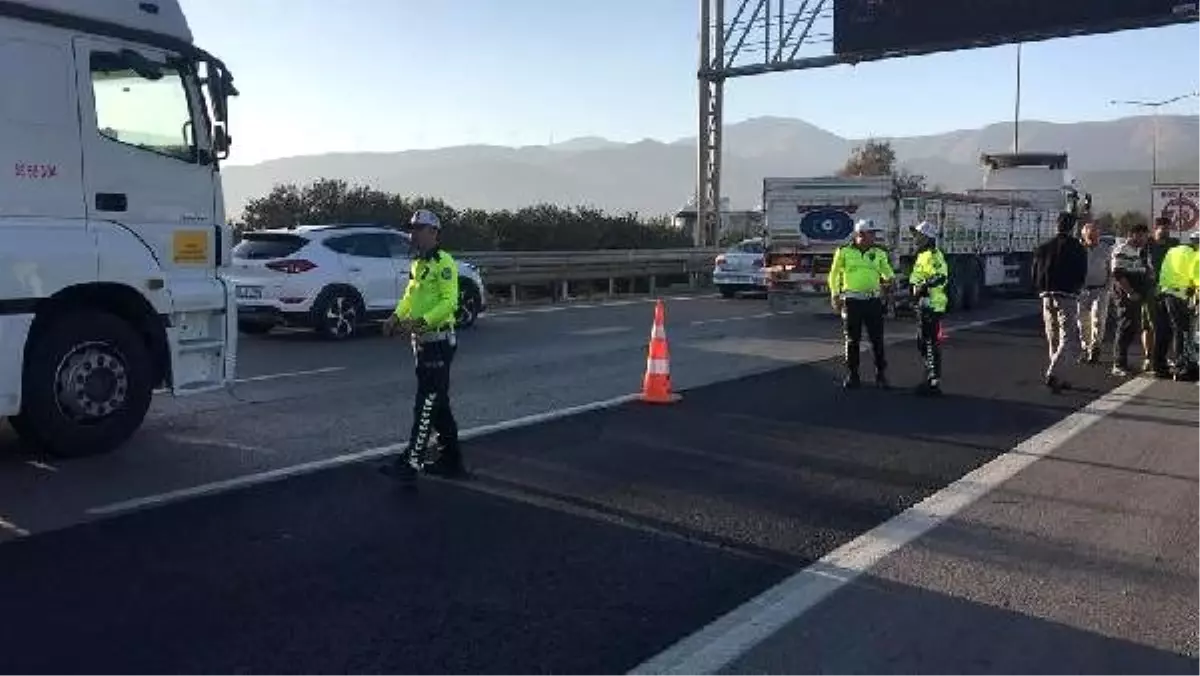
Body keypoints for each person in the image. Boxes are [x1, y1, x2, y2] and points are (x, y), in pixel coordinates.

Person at [379, 209, 467, 484]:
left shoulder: (444, 263)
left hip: (438, 341)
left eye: (419, 229)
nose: (413, 234)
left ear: (433, 233)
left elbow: (449, 302)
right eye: (412, 229)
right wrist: (396, 316)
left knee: (426, 405)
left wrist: (421, 322)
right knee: (438, 405)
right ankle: (452, 461)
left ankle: (410, 462)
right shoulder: (419, 264)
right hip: (422, 343)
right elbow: (410, 295)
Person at [828, 219, 895, 389]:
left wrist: (890, 280)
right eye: (870, 233)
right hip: (852, 301)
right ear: (860, 235)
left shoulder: (878, 253)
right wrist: (835, 295)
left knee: (877, 339)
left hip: (873, 300)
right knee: (852, 339)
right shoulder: (843, 252)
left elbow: (887, 271)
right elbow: (834, 275)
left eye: (874, 233)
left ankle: (881, 374)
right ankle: (853, 374)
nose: (874, 237)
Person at [1031, 212, 1088, 393]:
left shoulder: (1043, 248)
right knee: (1069, 337)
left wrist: (1040, 289)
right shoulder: (1077, 248)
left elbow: (1034, 272)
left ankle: (1060, 377)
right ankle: (1054, 373)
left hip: (1046, 295)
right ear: (1072, 228)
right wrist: (1077, 288)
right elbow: (1081, 272)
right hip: (1067, 296)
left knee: (1052, 335)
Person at [1152, 230, 1200, 381]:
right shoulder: (1197, 255)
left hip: (1163, 294)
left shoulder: (1174, 251)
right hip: (1179, 297)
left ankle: (1159, 367)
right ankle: (1182, 368)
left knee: (1163, 332)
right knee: (1182, 332)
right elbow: (1198, 279)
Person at [908, 221, 949, 396]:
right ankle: (928, 378)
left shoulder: (933, 255)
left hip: (932, 305)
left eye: (919, 235)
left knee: (930, 343)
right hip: (923, 304)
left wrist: (923, 286)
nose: (915, 238)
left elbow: (941, 276)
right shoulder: (922, 255)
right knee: (922, 343)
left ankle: (933, 382)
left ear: (928, 238)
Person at [1109, 223, 1152, 377]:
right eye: (1143, 236)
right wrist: (1130, 292)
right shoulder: (1122, 249)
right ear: (1134, 235)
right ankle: (1118, 364)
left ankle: (1123, 362)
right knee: (1125, 326)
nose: (1146, 239)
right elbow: (1118, 274)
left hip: (1136, 296)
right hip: (1126, 296)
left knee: (1132, 328)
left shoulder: (1137, 251)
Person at [1143, 217, 1180, 371]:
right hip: (1151, 290)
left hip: (1170, 289)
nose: (1164, 230)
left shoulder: (1174, 244)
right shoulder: (1148, 245)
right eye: (1161, 228)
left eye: (1167, 228)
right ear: (1155, 228)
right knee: (1149, 326)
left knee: (1168, 325)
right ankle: (1148, 357)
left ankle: (1164, 356)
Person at [1076, 222, 1112, 364]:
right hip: (1082, 290)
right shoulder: (1078, 250)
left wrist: (1108, 287)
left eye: (1095, 235)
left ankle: (1095, 348)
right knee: (1082, 321)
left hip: (1100, 289)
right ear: (1084, 236)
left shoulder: (1106, 249)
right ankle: (1085, 347)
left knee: (1098, 319)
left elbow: (1111, 269)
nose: (1093, 238)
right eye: (1090, 236)